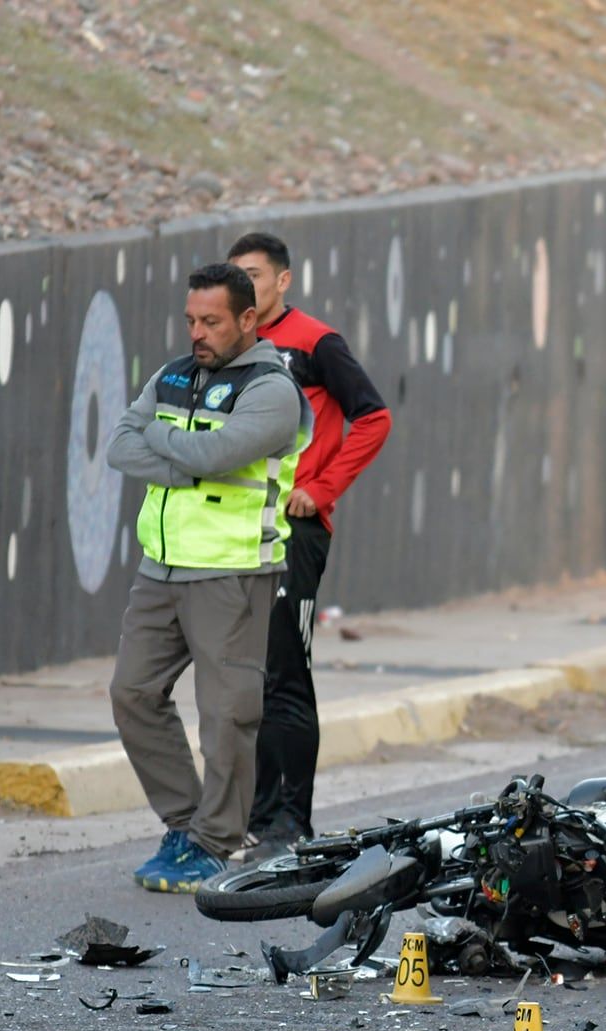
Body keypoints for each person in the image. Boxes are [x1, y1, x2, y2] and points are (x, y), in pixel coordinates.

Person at [105, 263, 310, 891]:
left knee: (227, 714)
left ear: (248, 319)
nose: (197, 332)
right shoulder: (174, 374)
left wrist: (162, 442)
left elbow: (219, 455)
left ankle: (215, 843)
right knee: (132, 694)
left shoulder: (271, 389)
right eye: (191, 319)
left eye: (211, 321)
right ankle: (187, 824)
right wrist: (183, 460)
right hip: (160, 567)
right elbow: (118, 444)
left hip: (232, 570)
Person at [226, 232, 393, 860]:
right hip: (237, 533)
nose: (245, 286)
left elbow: (373, 416)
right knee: (243, 678)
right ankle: (247, 818)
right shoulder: (232, 346)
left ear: (282, 280)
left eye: (254, 275)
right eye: (234, 276)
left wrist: (321, 489)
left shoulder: (316, 342)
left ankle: (287, 825)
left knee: (284, 675)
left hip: (295, 532)